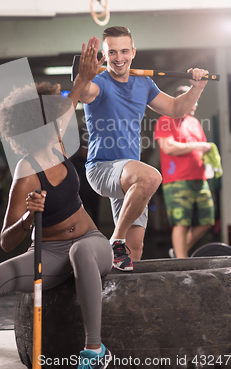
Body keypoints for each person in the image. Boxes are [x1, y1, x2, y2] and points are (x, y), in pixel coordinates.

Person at [0, 40, 113, 369]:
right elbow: (5, 241)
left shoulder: (57, 141)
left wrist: (84, 77)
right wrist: (29, 216)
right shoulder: (26, 173)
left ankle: (94, 348)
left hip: (91, 243)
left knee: (81, 251)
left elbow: (69, 103)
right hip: (49, 254)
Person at [78, 26, 210, 271]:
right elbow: (85, 94)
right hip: (102, 168)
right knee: (151, 176)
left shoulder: (144, 84)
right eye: (113, 52)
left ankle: (116, 298)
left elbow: (176, 109)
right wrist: (84, 76)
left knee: (135, 250)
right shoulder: (99, 83)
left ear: (133, 52)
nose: (119, 58)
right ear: (105, 55)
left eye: (125, 51)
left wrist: (197, 87)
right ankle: (115, 241)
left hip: (131, 178)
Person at [154, 85, 215, 258]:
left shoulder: (194, 122)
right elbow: (168, 147)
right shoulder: (165, 120)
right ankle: (181, 263)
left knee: (207, 220)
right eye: (192, 100)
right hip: (177, 181)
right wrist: (199, 146)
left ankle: (178, 252)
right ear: (182, 101)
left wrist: (209, 166)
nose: (195, 105)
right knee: (181, 223)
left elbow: (203, 150)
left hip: (200, 179)